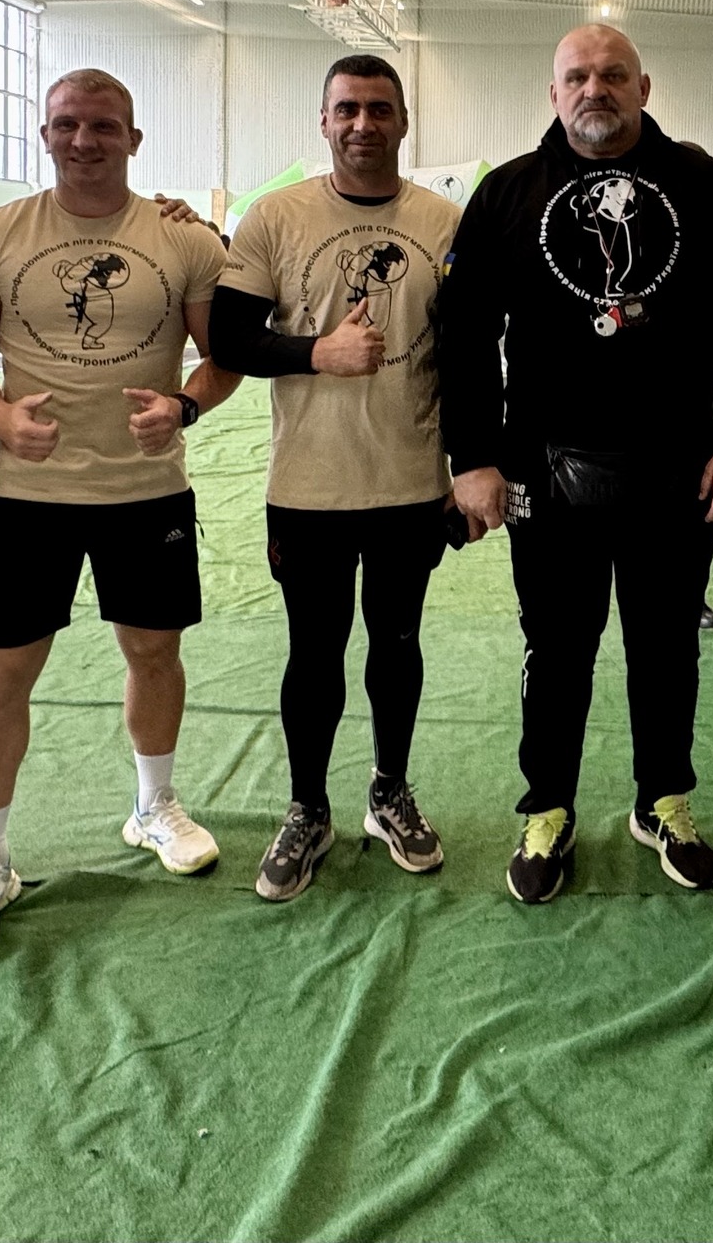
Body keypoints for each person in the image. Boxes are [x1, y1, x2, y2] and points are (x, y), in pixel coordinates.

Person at [438, 24, 713, 903]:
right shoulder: (508, 192)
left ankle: (662, 799)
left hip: (679, 469)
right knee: (557, 650)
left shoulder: (706, 185)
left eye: (613, 75)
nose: (596, 89)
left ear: (644, 87)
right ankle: (547, 808)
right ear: (554, 93)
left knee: (666, 648)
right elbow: (465, 334)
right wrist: (473, 457)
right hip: (542, 471)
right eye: (578, 77)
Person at [0, 68, 239, 958]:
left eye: (104, 126)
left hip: (147, 491)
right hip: (29, 496)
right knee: (3, 673)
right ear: (44, 133)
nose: (84, 140)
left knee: (154, 652)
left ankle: (153, 804)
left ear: (133, 139)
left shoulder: (185, 240)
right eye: (67, 124)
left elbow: (222, 357)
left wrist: (183, 406)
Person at [209, 54, 462, 901]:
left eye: (379, 109)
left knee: (397, 645)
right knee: (314, 652)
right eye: (347, 109)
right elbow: (231, 340)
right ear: (323, 120)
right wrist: (318, 352)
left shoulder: (443, 222)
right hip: (309, 487)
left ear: (403, 121)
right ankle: (308, 808)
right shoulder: (275, 217)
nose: (363, 124)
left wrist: (470, 467)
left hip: (409, 482)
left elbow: (466, 356)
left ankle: (389, 792)